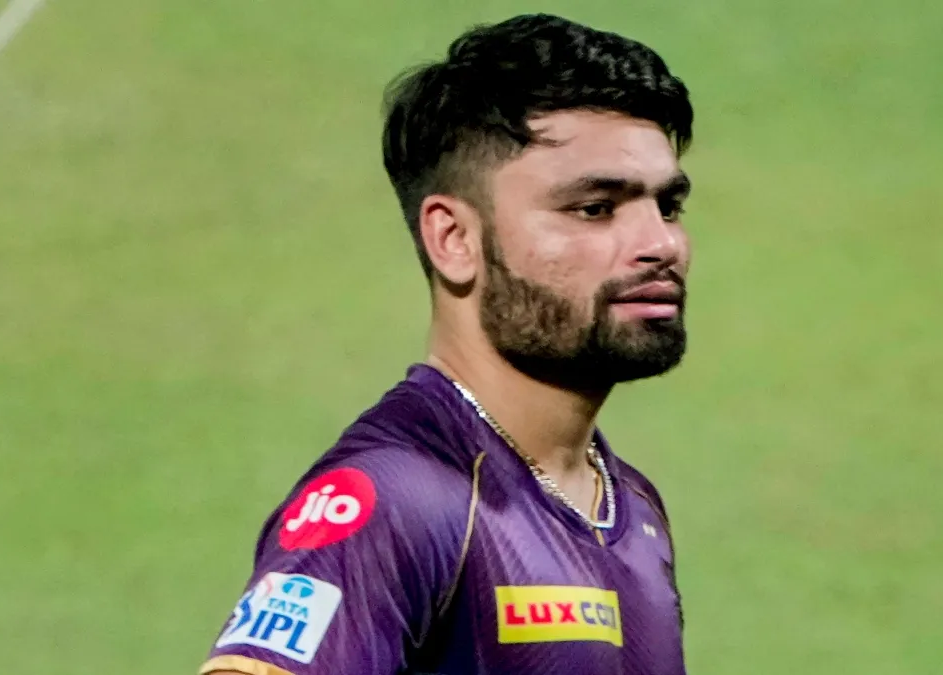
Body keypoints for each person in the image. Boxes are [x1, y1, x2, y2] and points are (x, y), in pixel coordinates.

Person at [199, 11, 695, 675]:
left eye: (668, 206)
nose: (661, 243)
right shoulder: (395, 499)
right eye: (595, 208)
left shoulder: (631, 505)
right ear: (454, 239)